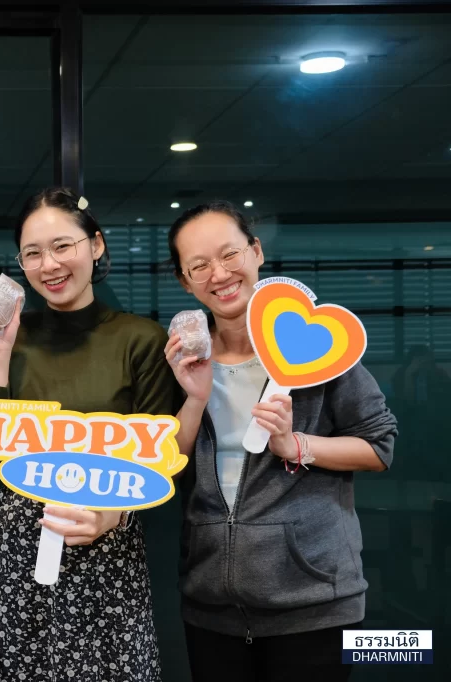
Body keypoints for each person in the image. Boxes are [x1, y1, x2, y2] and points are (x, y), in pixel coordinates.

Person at [163, 201, 398, 682]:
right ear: (185, 281)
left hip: (314, 605)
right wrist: (192, 398)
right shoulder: (183, 358)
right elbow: (166, 466)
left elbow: (379, 447)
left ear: (256, 252)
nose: (219, 274)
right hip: (211, 607)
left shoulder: (317, 346)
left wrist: (297, 445)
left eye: (230, 254)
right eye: (199, 265)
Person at [0, 187, 182, 682]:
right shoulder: (8, 337)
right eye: (33, 253)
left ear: (96, 245)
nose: (50, 264)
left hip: (107, 548)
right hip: (16, 551)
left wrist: (112, 515)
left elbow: (160, 459)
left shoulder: (140, 339)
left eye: (63, 245)